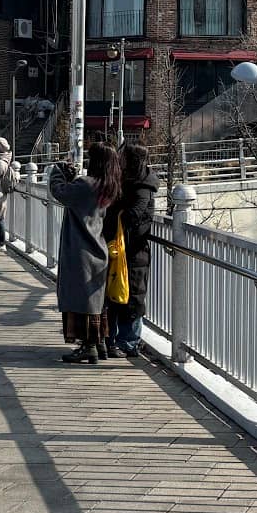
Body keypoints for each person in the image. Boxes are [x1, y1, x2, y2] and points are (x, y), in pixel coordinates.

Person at [49, 143, 123, 363]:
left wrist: (58, 171)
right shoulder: (109, 186)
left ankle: (88, 346)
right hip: (98, 248)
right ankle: (99, 343)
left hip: (80, 251)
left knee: (79, 300)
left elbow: (59, 192)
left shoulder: (86, 184)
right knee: (95, 300)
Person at [104, 143, 158, 358]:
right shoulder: (129, 182)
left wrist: (114, 216)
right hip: (121, 250)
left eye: (123, 158)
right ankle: (114, 340)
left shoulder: (142, 187)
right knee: (117, 296)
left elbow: (133, 215)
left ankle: (128, 342)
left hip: (134, 251)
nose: (119, 161)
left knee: (132, 298)